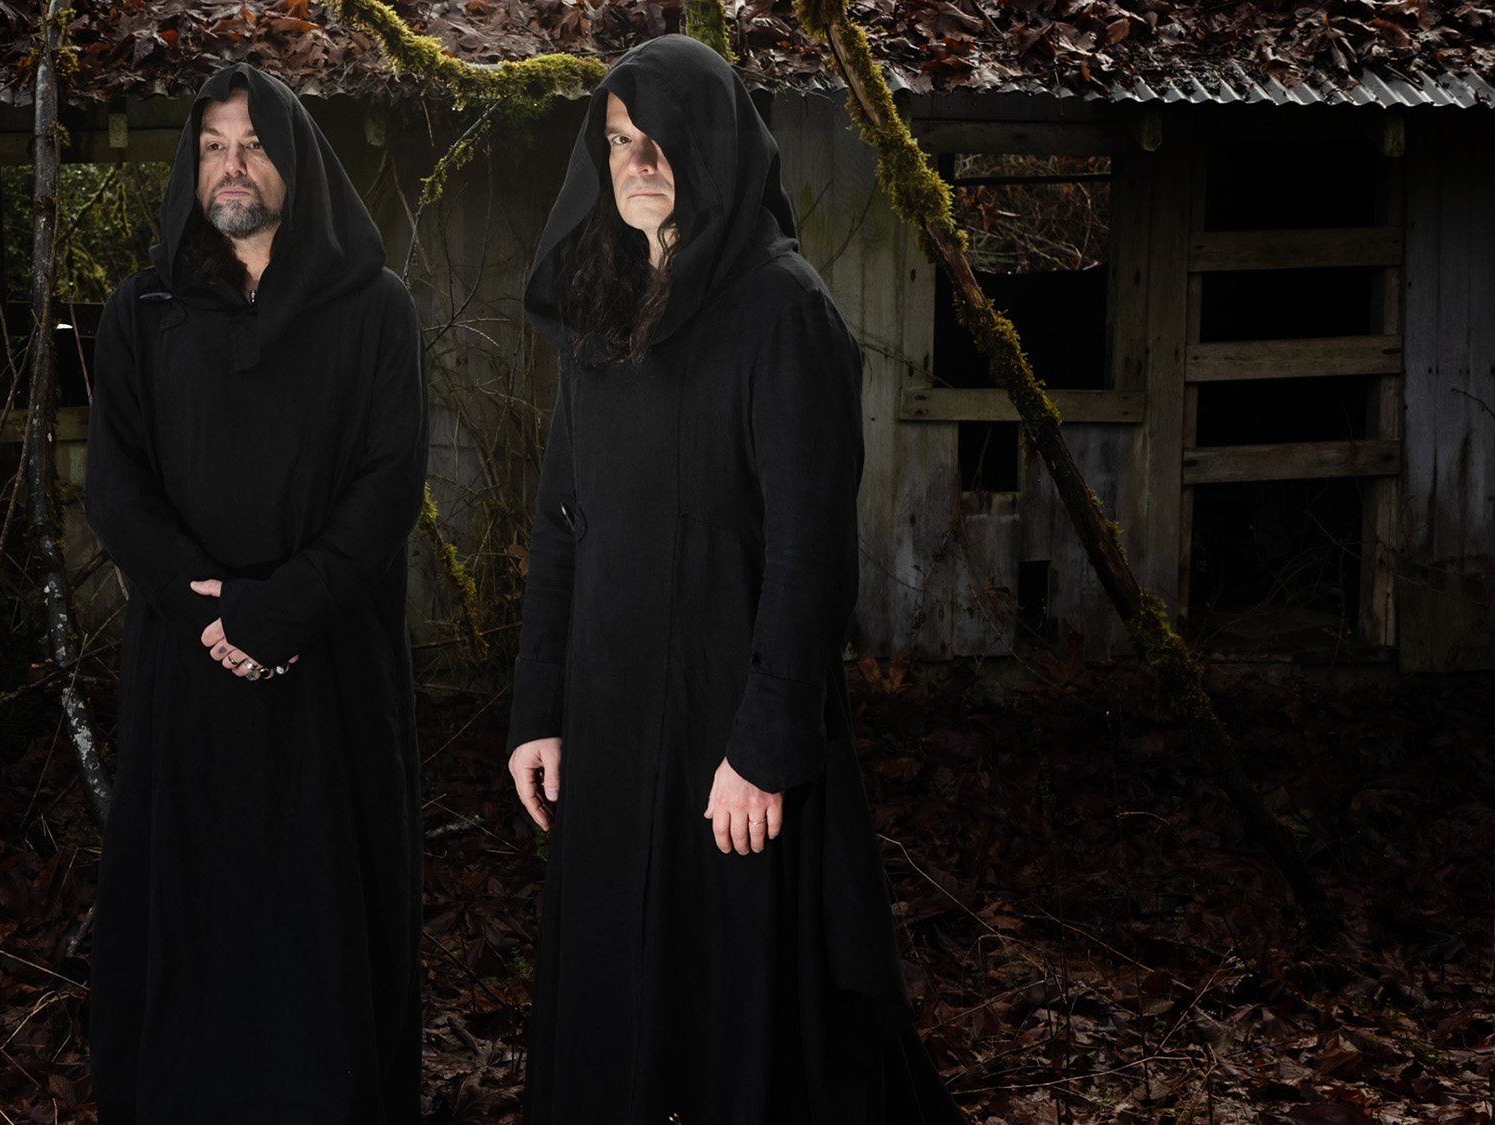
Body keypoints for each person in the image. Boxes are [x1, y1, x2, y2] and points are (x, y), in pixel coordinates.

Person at [505, 35, 966, 1125]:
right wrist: (539, 707)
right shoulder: (601, 307)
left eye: (659, 141)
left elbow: (810, 553)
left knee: (745, 1010)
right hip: (612, 722)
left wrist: (762, 749)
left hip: (731, 727)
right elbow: (562, 525)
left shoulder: (782, 310)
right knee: (618, 990)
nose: (636, 162)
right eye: (618, 141)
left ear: (713, 146)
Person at [81, 62, 428, 1123]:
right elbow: (116, 487)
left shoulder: (373, 309)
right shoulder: (142, 312)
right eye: (213, 147)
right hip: (188, 676)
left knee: (321, 914)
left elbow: (388, 485)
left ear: (296, 163)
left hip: (329, 672)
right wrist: (210, 615)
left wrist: (278, 611)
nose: (232, 166)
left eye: (254, 144)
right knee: (194, 910)